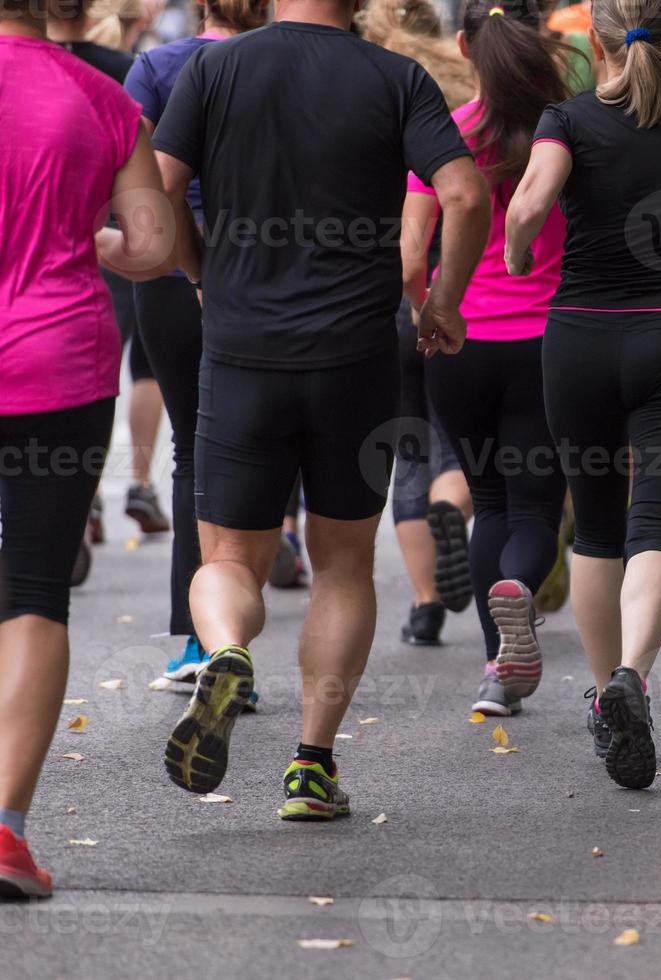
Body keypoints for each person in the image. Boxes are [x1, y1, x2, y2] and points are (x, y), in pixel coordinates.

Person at [151, 0, 491, 820]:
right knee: (342, 563)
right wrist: (440, 300)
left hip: (241, 354)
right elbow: (467, 195)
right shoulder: (396, 76)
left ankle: (227, 650)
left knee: (229, 559)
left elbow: (159, 200)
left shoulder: (212, 69)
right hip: (356, 357)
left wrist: (204, 274)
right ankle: (310, 767)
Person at [506, 0, 661, 788]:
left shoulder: (563, 120)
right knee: (656, 523)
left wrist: (513, 250)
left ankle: (606, 699)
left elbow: (532, 202)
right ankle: (631, 680)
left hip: (577, 342)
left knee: (597, 528)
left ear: (596, 43)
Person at [0, 0, 175, 899]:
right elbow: (151, 246)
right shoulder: (102, 97)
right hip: (55, 363)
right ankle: (4, 833)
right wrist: (86, 238)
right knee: (32, 589)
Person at [403, 0, 576, 715]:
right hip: (548, 345)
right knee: (537, 507)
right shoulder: (567, 129)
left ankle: (496, 670)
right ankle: (517, 601)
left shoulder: (442, 137)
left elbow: (410, 253)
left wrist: (429, 311)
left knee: (490, 500)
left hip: (460, 344)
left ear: (465, 46)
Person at [124, 0, 269, 688]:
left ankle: (197, 641)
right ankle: (237, 623)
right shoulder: (280, 61)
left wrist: (185, 265)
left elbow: (144, 183)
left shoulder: (156, 66)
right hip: (270, 267)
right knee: (261, 444)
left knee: (192, 450)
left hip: (174, 277)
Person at [361, 0, 478, 647]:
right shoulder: (462, 93)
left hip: (391, 295)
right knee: (462, 448)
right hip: (466, 293)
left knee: (407, 448)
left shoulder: (370, 85)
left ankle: (424, 604)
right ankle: (453, 505)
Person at [51, 0, 175, 545]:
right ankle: (140, 481)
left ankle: (78, 503)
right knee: (141, 360)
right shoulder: (121, 74)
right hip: (116, 231)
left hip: (43, 244)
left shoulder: (24, 69)